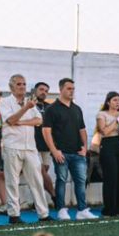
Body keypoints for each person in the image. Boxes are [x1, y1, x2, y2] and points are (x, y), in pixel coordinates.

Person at [42, 78, 96, 221]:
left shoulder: (77, 109)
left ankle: (82, 210)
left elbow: (82, 130)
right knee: (61, 181)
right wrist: (54, 151)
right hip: (61, 153)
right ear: (61, 89)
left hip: (78, 153)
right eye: (69, 88)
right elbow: (46, 131)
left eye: (73, 89)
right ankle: (61, 210)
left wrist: (85, 148)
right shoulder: (51, 109)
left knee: (81, 181)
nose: (72, 91)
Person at [0, 75, 51, 223]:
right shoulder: (5, 102)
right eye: (18, 84)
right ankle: (14, 215)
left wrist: (21, 122)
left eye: (24, 84)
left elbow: (39, 120)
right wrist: (25, 109)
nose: (22, 86)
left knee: (37, 180)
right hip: (12, 146)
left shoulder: (30, 102)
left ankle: (43, 214)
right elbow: (10, 120)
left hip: (30, 147)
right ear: (11, 87)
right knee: (12, 181)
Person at [95, 92, 119, 217]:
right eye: (115, 100)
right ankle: (110, 209)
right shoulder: (102, 114)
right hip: (108, 144)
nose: (117, 102)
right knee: (111, 177)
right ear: (108, 102)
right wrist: (117, 122)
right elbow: (104, 131)